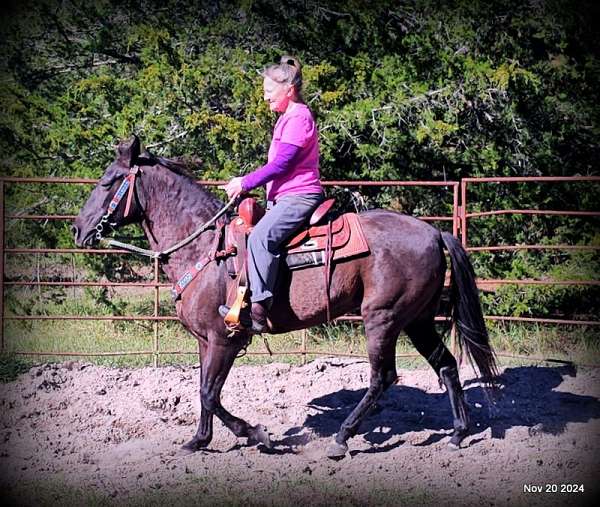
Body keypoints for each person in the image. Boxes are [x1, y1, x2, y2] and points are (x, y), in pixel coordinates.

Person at [219, 55, 324, 332]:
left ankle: (258, 309)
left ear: (288, 90)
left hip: (300, 196)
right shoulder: (286, 118)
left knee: (261, 238)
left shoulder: (298, 117)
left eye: (268, 91)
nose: (265, 98)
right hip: (285, 197)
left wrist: (245, 182)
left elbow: (282, 164)